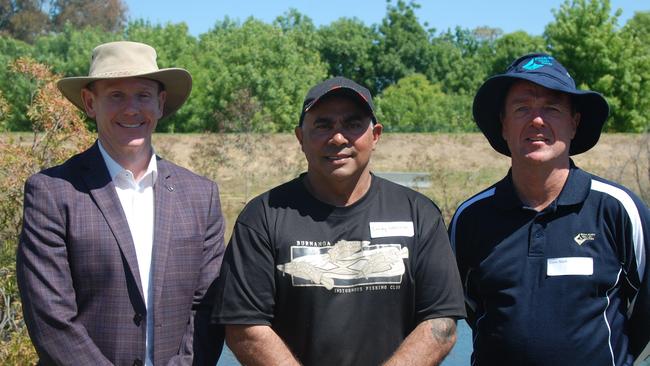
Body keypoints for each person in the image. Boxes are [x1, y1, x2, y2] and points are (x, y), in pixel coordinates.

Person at [212, 76, 466, 366]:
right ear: (300, 138)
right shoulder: (262, 217)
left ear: (376, 136)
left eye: (353, 124)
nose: (338, 138)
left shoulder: (419, 213)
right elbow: (245, 328)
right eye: (323, 125)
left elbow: (441, 324)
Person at [16, 41, 226, 366]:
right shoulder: (52, 193)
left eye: (143, 95)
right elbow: (51, 318)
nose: (131, 109)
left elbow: (208, 307)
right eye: (116, 95)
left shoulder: (201, 195)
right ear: (89, 103)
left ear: (160, 103)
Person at [449, 53, 650, 365]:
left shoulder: (619, 209)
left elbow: (644, 317)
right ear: (503, 125)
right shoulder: (470, 219)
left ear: (574, 123)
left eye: (552, 108)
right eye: (522, 108)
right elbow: (469, 309)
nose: (537, 120)